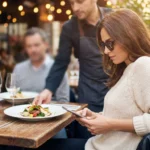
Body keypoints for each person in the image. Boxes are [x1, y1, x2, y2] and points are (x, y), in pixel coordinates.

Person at [33, 0, 111, 138]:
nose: (75, 7)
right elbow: (61, 62)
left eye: (79, 2)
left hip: (115, 91)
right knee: (87, 142)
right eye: (72, 3)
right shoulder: (70, 27)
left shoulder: (114, 18)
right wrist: (48, 89)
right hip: (88, 95)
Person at [75, 8, 150, 150]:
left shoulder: (144, 65)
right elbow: (126, 113)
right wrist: (96, 117)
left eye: (110, 43)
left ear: (129, 36)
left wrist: (109, 124)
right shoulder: (127, 70)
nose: (106, 51)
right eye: (104, 45)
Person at [13, 27, 69, 138]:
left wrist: (43, 111)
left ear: (46, 45)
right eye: (29, 46)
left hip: (52, 123)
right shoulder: (18, 69)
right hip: (22, 122)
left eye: (37, 45)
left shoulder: (57, 70)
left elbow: (64, 102)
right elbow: (13, 98)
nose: (33, 50)